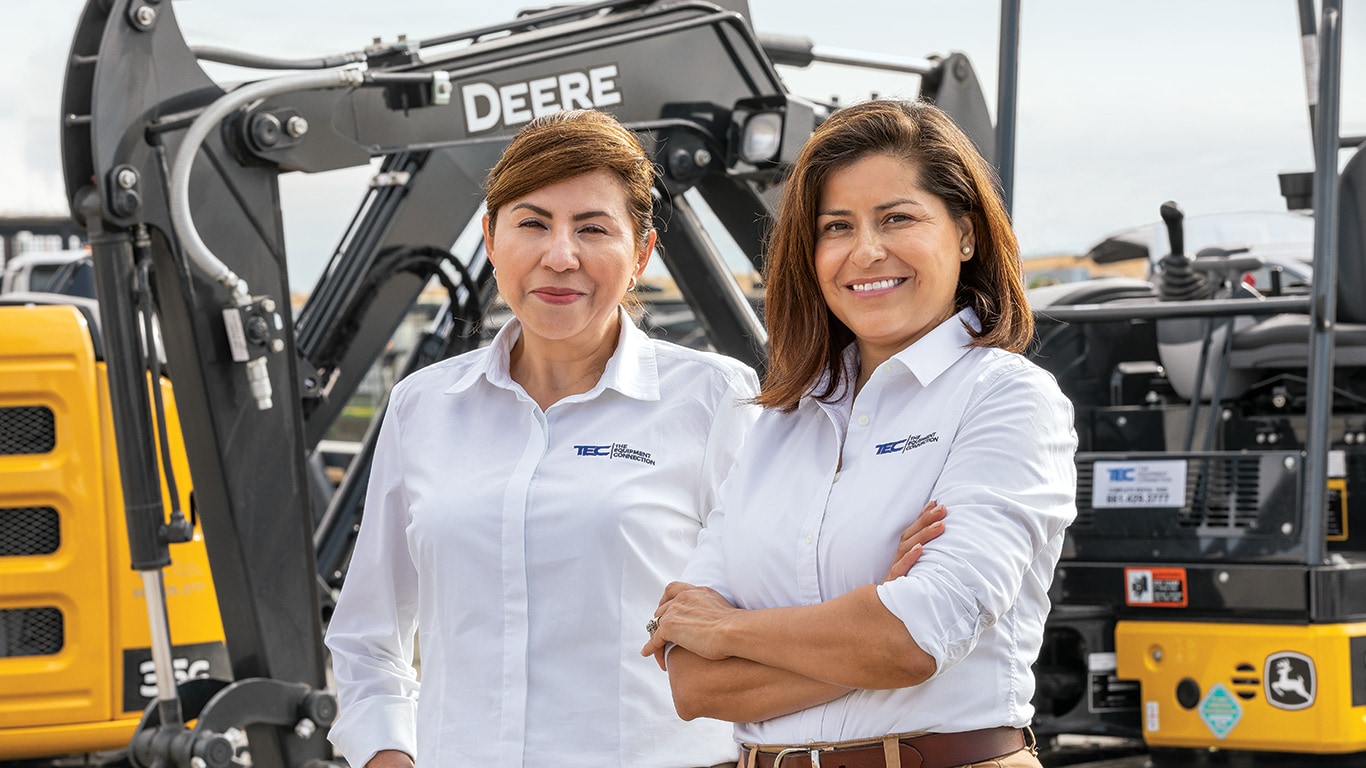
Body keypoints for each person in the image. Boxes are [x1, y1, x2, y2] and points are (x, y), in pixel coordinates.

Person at [323, 107, 946, 768]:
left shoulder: (714, 401)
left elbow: (798, 603)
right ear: (491, 238)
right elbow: (367, 640)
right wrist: (388, 756)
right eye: (532, 223)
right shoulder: (424, 406)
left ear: (641, 252)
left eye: (593, 228)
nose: (560, 255)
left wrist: (885, 582)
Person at [642, 99, 1078, 768]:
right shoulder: (778, 424)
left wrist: (730, 629)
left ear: (965, 234)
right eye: (836, 226)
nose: (866, 250)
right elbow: (696, 682)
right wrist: (868, 624)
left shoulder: (1006, 399)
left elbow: (913, 640)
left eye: (898, 217)